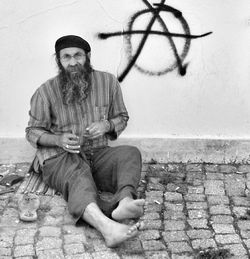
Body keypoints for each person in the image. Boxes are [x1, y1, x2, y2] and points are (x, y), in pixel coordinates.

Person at [25, 35, 145, 247]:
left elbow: (122, 117)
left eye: (78, 55)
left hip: (96, 152)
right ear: (59, 61)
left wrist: (106, 126)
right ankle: (107, 228)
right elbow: (32, 131)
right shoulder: (45, 91)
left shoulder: (108, 82)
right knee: (79, 176)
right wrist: (58, 139)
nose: (72, 62)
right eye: (66, 57)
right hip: (59, 157)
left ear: (87, 56)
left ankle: (125, 202)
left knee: (129, 153)